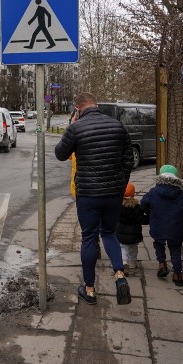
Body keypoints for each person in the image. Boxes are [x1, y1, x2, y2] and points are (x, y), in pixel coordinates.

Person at [55, 91, 134, 305]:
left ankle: (89, 289)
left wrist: (70, 126)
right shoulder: (118, 126)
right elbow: (128, 161)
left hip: (88, 194)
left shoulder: (77, 128)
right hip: (113, 194)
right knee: (108, 233)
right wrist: (118, 185)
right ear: (96, 105)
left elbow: (60, 154)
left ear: (78, 109)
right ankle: (119, 274)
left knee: (89, 236)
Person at [140, 164, 183, 287]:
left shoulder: (153, 192)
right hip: (175, 228)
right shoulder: (181, 194)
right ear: (175, 179)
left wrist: (150, 212)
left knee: (159, 244)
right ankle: (177, 275)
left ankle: (162, 264)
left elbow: (143, 203)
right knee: (175, 250)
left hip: (157, 225)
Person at [116, 182, 146, 277]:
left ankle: (124, 260)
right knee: (133, 248)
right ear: (133, 194)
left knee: (123, 248)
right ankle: (132, 263)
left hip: (121, 233)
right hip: (134, 234)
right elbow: (141, 219)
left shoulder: (118, 207)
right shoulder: (137, 207)